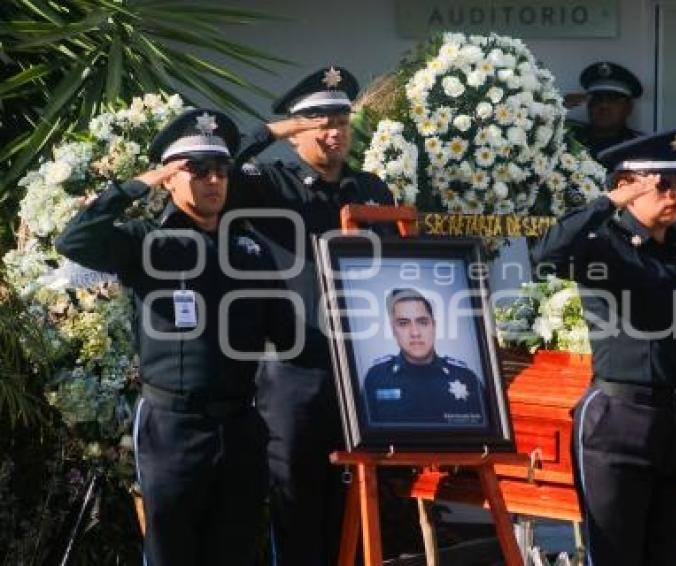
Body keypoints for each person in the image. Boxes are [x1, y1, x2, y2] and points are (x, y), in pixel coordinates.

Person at [55, 109, 301, 565]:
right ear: (169, 178)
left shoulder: (249, 248)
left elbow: (287, 334)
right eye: (198, 169)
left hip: (239, 427)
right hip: (173, 427)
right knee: (172, 554)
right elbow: (75, 242)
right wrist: (135, 185)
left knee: (236, 552)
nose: (213, 180)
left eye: (221, 170)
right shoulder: (148, 241)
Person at [228, 66, 396, 566]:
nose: (333, 132)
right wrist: (270, 131)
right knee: (296, 504)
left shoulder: (370, 189)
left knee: (355, 511)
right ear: (295, 130)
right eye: (318, 121)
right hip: (295, 373)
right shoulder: (269, 185)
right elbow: (213, 165)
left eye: (341, 120)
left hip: (361, 373)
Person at [531, 130, 676, 566]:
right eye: (660, 184)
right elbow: (546, 256)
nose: (673, 195)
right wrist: (607, 202)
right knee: (615, 555)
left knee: (668, 555)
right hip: (619, 425)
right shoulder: (602, 247)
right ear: (626, 187)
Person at [363, 288, 486, 426]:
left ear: (434, 326)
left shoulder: (467, 379)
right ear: (393, 330)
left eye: (422, 322)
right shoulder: (376, 378)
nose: (415, 332)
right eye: (403, 323)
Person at [563, 61, 643, 156]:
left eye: (613, 98)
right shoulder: (567, 140)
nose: (604, 105)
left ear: (628, 107)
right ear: (588, 105)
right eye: (597, 98)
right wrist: (558, 107)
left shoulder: (641, 146)